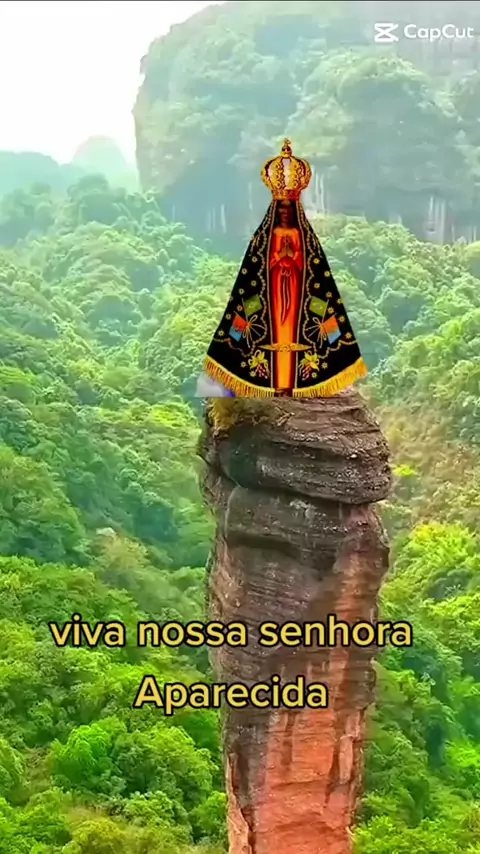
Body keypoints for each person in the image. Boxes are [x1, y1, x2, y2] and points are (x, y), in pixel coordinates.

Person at [202, 139, 367, 397]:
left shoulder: (304, 235)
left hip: (298, 289)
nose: (285, 214)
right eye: (282, 210)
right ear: (276, 210)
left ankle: (296, 381)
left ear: (295, 209)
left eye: (289, 209)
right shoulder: (264, 236)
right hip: (272, 291)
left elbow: (312, 266)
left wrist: (293, 260)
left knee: (307, 325)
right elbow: (256, 267)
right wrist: (278, 259)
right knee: (263, 325)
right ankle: (273, 380)